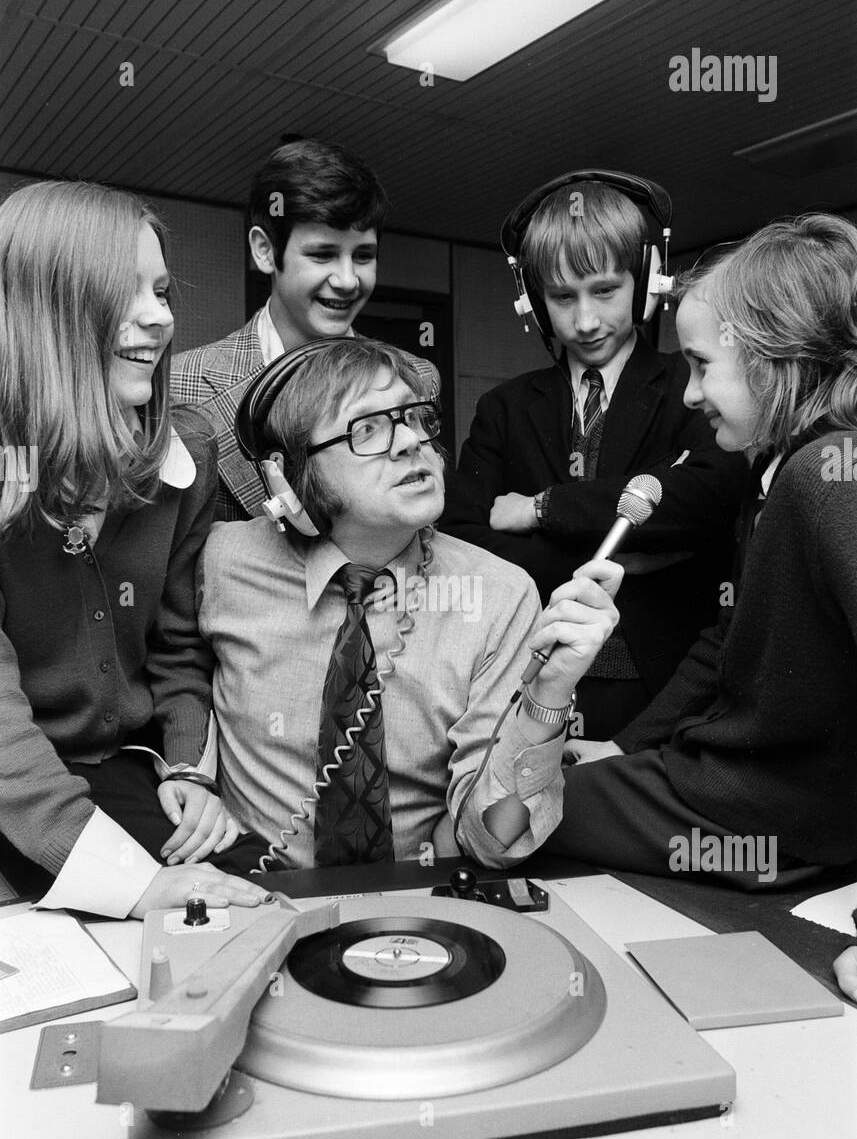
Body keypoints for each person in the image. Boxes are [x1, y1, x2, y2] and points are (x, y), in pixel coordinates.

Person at [541, 213, 857, 1003]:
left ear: (774, 356)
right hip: (771, 808)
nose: (688, 393)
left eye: (701, 365)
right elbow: (727, 640)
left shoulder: (826, 475)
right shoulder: (794, 468)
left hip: (764, 819)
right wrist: (626, 747)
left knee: (515, 808)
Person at [197, 338, 622, 871]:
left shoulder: (500, 594)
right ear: (288, 476)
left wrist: (550, 693)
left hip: (419, 904)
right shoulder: (219, 562)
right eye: (367, 428)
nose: (410, 442)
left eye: (415, 418)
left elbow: (491, 843)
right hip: (246, 893)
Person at [0, 180, 266, 919]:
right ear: (39, 309)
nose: (160, 315)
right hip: (16, 773)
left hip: (115, 766)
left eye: (160, 290)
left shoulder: (190, 451)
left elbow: (180, 647)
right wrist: (134, 884)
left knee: (248, 900)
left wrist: (188, 767)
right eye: (125, 292)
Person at [442, 174, 747, 738]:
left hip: (670, 681)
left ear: (647, 284)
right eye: (562, 298)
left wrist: (544, 509)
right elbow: (461, 539)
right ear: (534, 302)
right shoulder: (502, 408)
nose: (584, 321)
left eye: (605, 291)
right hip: (532, 669)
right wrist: (620, 561)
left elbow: (707, 501)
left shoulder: (696, 386)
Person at [171, 138, 439, 520]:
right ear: (265, 251)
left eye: (363, 256)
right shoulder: (182, 385)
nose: (348, 280)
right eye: (323, 254)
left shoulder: (417, 380)